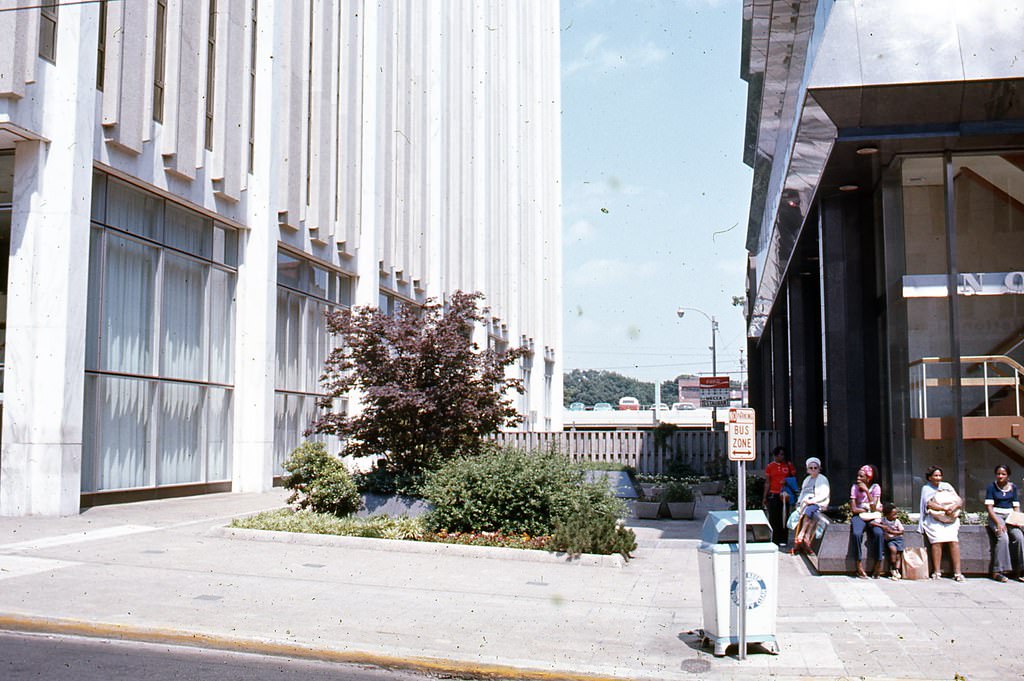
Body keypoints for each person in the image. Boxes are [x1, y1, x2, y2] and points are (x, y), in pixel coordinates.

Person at [918, 465, 964, 582]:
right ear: (930, 477)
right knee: (937, 541)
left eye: (939, 475)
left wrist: (953, 507)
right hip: (934, 519)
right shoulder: (926, 488)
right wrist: (943, 509)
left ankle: (957, 572)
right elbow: (929, 504)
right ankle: (937, 571)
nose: (938, 478)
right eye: (935, 475)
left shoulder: (947, 486)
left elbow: (959, 500)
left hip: (950, 519)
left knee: (953, 541)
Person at [984, 464, 1023, 583]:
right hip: (996, 516)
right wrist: (998, 523)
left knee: (1020, 537)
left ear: (1008, 476)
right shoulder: (991, 487)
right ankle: (998, 571)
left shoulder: (1013, 488)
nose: (1000, 476)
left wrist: (1017, 520)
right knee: (1003, 537)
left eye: (1003, 474)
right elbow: (989, 508)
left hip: (1010, 516)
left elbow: (1016, 506)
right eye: (998, 474)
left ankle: (1020, 570)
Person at [849, 464, 884, 578]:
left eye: (861, 477)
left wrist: (867, 492)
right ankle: (858, 564)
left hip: (872, 516)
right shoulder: (854, 487)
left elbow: (874, 508)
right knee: (857, 534)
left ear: (868, 478)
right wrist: (864, 509)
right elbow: (854, 509)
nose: (858, 479)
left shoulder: (875, 487)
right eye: (858, 476)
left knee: (878, 533)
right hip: (859, 515)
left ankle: (878, 563)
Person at [791, 457, 829, 554]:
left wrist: (812, 501)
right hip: (805, 502)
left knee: (809, 511)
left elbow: (824, 494)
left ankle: (802, 534)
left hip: (818, 502)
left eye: (815, 468)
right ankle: (804, 541)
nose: (813, 470)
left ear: (819, 468)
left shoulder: (823, 479)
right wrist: (799, 502)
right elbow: (803, 493)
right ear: (807, 469)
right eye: (811, 468)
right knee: (799, 515)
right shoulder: (807, 479)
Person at [763, 445, 797, 547]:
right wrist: (764, 496)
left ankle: (783, 539)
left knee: (784, 516)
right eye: (780, 454)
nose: (781, 457)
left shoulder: (788, 466)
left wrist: (786, 482)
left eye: (783, 454)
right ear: (775, 455)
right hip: (774, 494)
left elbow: (793, 479)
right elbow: (767, 482)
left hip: (784, 494)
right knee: (774, 517)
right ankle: (774, 539)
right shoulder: (770, 467)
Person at [872, 502, 905, 580]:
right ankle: (893, 566)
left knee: (898, 555)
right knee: (893, 550)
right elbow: (873, 523)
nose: (895, 516)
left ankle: (897, 570)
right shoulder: (883, 520)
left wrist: (892, 532)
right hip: (890, 540)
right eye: (893, 514)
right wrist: (883, 526)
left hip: (898, 539)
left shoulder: (897, 521)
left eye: (896, 514)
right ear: (887, 515)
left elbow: (901, 531)